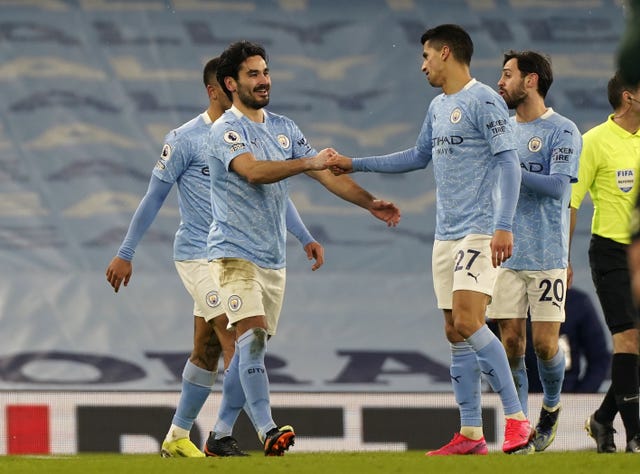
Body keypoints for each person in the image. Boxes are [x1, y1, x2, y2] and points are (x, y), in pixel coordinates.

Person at [326, 24, 531, 455]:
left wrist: (504, 224)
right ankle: (471, 433)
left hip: (479, 230)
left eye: (425, 56)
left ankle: (516, 418)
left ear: (446, 52)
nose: (421, 65)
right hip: (446, 235)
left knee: (470, 322)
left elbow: (509, 163)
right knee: (454, 333)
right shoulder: (438, 106)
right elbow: (417, 156)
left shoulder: (485, 100)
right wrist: (354, 163)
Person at [105, 57, 325, 458]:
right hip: (198, 255)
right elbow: (154, 197)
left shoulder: (249, 134)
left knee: (207, 347)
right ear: (216, 90)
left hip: (237, 252)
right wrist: (126, 252)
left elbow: (273, 194)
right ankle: (239, 432)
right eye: (233, 86)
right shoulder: (186, 138)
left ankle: (177, 435)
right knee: (234, 332)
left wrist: (304, 235)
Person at [205, 40, 401, 456]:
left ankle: (219, 433)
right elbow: (254, 172)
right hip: (232, 253)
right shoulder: (224, 130)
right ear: (230, 83)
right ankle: (268, 429)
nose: (263, 80)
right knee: (253, 337)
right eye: (252, 74)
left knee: (247, 349)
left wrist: (369, 203)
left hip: (272, 258)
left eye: (265, 72)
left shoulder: (284, 128)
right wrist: (307, 163)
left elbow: (327, 175)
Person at [487, 50, 581, 452]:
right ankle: (519, 426)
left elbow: (560, 187)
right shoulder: (500, 130)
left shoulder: (562, 130)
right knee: (511, 344)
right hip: (505, 255)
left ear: (531, 81)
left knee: (544, 345)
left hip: (546, 255)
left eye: (507, 75)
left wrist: (511, 170)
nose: (500, 82)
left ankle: (553, 406)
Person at [570, 71, 640, 453]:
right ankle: (636, 437)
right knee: (627, 340)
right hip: (611, 251)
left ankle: (601, 419)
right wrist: (560, 259)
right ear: (628, 98)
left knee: (637, 348)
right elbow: (571, 203)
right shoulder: (593, 142)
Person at [523, 287, 611, 394]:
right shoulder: (510, 303)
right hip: (518, 399)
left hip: (566, 395)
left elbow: (599, 359)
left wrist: (579, 396)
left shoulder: (578, 303)